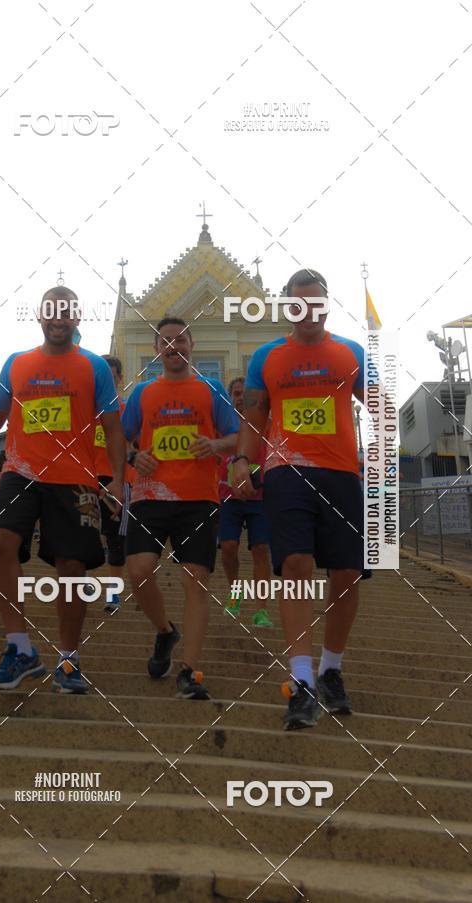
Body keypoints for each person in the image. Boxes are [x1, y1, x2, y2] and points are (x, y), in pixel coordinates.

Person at [232, 269, 366, 730]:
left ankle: (331, 668)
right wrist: (241, 463)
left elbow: (383, 410)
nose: (309, 310)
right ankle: (302, 679)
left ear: (327, 305)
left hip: (343, 474)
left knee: (346, 573)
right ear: (288, 306)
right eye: (300, 302)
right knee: (296, 565)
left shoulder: (352, 353)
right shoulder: (267, 357)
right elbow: (253, 417)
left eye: (317, 302)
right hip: (286, 471)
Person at [0, 285, 126, 693]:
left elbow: (113, 429)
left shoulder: (93, 367)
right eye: (51, 312)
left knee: (72, 568)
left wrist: (115, 478)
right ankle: (19, 649)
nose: (59, 319)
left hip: (75, 476)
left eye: (67, 312)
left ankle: (68, 659)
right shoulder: (18, 363)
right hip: (21, 471)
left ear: (77, 318)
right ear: (40, 317)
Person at [122, 317, 239, 700]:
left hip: (198, 497)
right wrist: (134, 455)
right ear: (157, 349)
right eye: (166, 341)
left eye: (181, 339)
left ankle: (189, 671)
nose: (174, 346)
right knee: (138, 571)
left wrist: (217, 445)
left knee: (196, 577)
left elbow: (238, 435)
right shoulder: (141, 394)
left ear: (192, 344)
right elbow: (118, 441)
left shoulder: (212, 389)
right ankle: (164, 632)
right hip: (149, 495)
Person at [218, 377, 273, 628]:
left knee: (261, 550)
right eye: (236, 393)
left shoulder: (267, 424)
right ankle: (234, 594)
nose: (241, 398)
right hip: (228, 496)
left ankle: (261, 610)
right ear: (231, 398)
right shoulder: (223, 426)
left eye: (245, 394)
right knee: (228, 547)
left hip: (260, 497)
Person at [93, 355, 134, 613]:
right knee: (79, 536)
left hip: (117, 482)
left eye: (111, 375)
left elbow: (133, 446)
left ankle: (113, 594)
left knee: (116, 539)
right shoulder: (83, 410)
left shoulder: (126, 410)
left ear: (119, 378)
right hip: (83, 480)